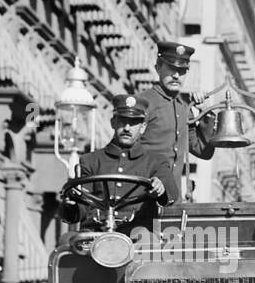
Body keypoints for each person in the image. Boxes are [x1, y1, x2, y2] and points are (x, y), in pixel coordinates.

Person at [62, 94, 178, 233]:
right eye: (122, 121)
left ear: (143, 127)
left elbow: (171, 193)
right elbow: (79, 211)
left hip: (137, 241)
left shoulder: (155, 162)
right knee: (66, 248)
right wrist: (71, 205)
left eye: (134, 122)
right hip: (95, 238)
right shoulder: (90, 161)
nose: (127, 128)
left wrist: (160, 187)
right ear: (113, 122)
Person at [137, 41, 215, 198]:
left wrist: (207, 112)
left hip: (173, 198)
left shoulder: (184, 107)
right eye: (171, 69)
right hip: (142, 194)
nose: (176, 76)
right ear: (158, 67)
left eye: (182, 70)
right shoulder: (143, 102)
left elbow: (202, 150)